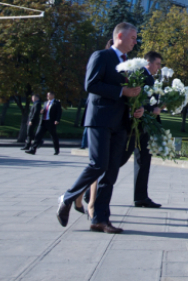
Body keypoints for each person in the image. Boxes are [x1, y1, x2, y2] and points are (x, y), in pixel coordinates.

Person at [55, 22, 144, 234]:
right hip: (100, 120)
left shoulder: (130, 64)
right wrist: (123, 93)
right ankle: (67, 197)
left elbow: (129, 94)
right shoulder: (101, 56)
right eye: (133, 38)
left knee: (110, 172)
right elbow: (91, 85)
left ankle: (100, 219)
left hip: (120, 123)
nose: (136, 41)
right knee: (98, 164)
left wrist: (135, 107)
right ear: (120, 36)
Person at [118, 51, 163, 208]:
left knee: (144, 161)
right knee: (120, 159)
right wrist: (149, 109)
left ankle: (141, 197)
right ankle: (92, 190)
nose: (159, 67)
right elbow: (134, 98)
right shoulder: (138, 74)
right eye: (157, 64)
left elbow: (149, 100)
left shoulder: (150, 78)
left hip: (145, 126)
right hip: (134, 126)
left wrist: (159, 106)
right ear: (148, 62)